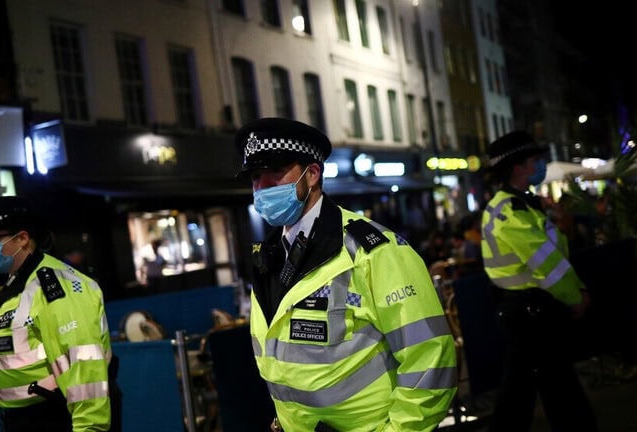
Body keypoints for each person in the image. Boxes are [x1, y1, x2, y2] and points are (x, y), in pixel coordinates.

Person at [234, 117, 457, 432]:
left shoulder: (374, 251)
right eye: (256, 177)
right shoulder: (268, 256)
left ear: (312, 174)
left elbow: (431, 358)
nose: (263, 187)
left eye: (276, 172)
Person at [0, 196, 119, 432]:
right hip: (21, 419)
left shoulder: (56, 287)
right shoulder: (4, 288)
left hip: (58, 417)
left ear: (23, 238)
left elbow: (84, 366)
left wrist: (90, 428)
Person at [480, 131, 597, 431]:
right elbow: (547, 263)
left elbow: (554, 256)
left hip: (528, 310)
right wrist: (576, 296)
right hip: (529, 312)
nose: (541, 164)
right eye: (535, 160)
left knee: (533, 391)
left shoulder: (522, 205)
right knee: (546, 391)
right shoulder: (511, 210)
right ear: (517, 167)